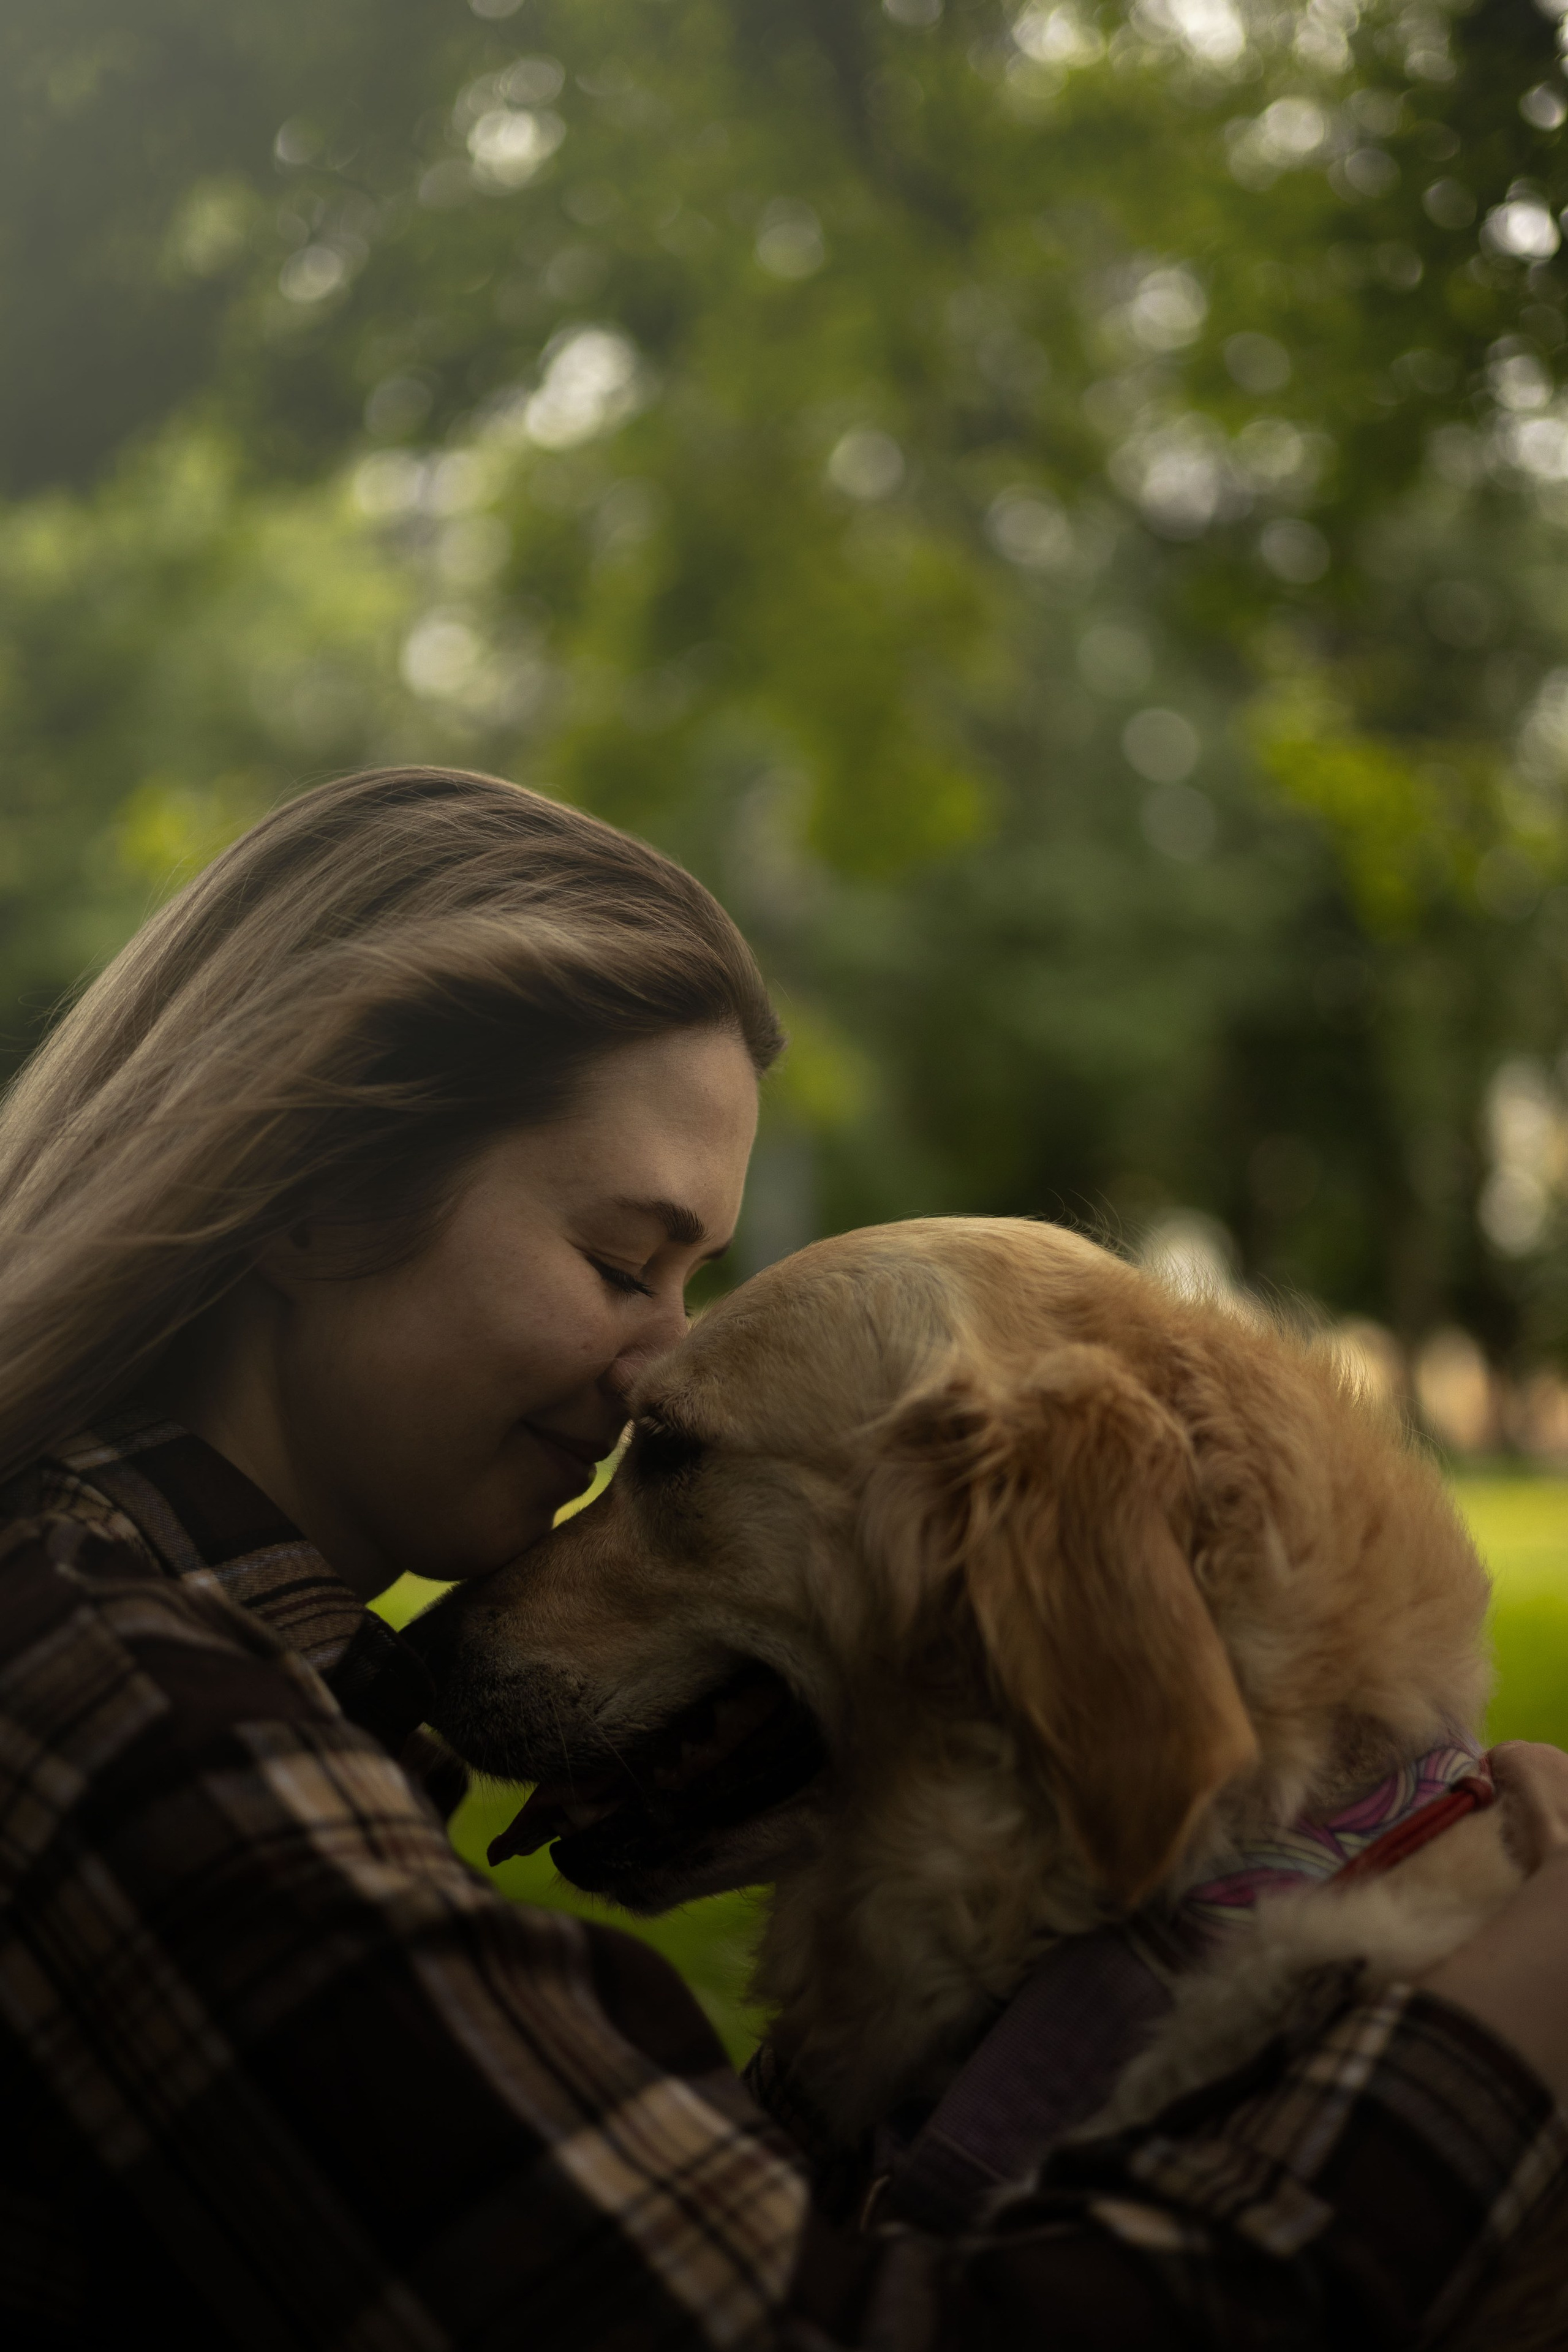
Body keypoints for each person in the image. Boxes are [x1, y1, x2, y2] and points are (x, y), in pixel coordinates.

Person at [0, 763, 1561, 2352]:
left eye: (689, 1278)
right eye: (622, 1259)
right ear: (321, 1199)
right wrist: (1522, 2013)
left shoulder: (183, 1663)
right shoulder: (137, 1735)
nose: (652, 1367)